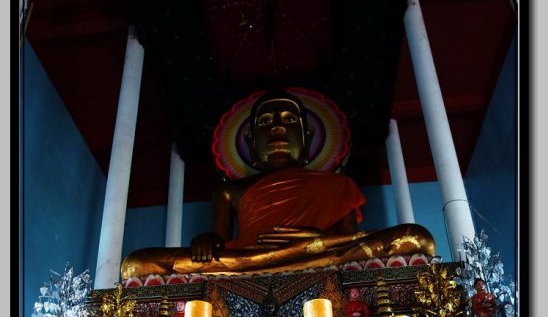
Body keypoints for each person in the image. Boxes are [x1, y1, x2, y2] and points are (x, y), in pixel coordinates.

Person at [121, 90, 436, 279]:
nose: (278, 132)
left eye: (288, 121)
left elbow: (348, 243)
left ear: (307, 136)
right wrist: (206, 241)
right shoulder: (229, 191)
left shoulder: (337, 184)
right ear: (250, 140)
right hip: (247, 263)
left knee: (415, 238)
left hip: (318, 256)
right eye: (267, 124)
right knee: (137, 263)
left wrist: (317, 241)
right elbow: (218, 244)